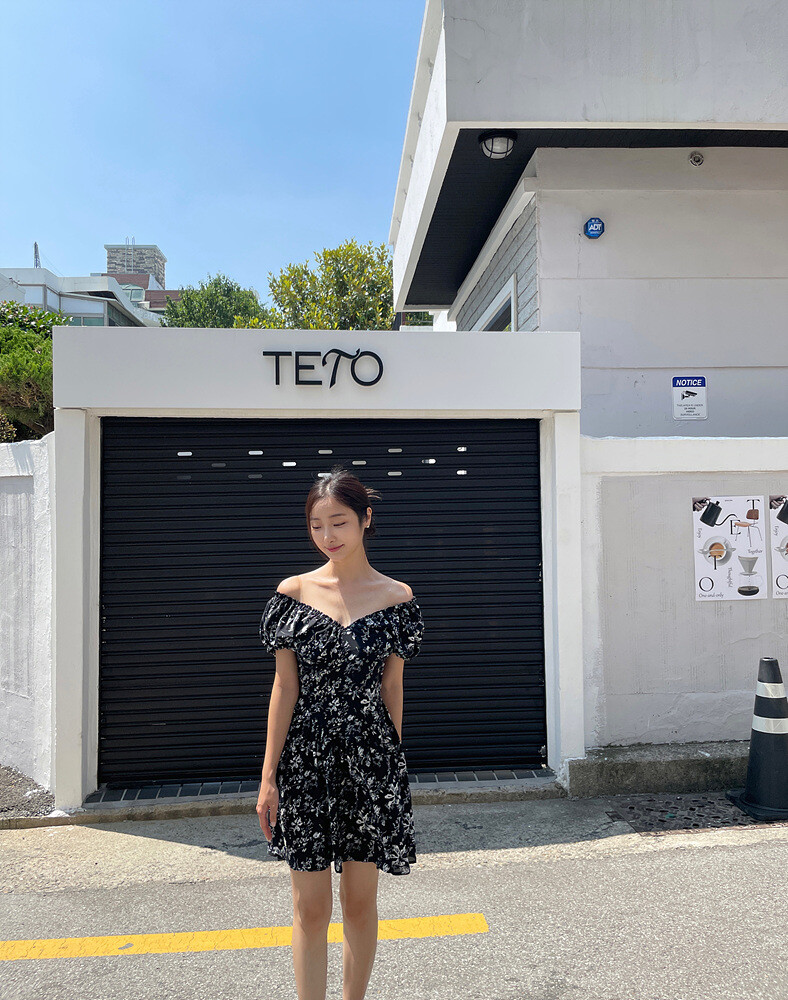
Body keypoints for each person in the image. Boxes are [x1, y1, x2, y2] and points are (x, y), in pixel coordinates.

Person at [257, 465, 425, 1000]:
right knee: (310, 907)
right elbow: (284, 689)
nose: (328, 536)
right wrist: (268, 777)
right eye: (317, 525)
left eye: (339, 523)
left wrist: (391, 768)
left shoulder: (396, 598)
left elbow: (392, 689)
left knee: (358, 903)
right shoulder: (293, 593)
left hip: (371, 763)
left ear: (366, 519)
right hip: (305, 761)